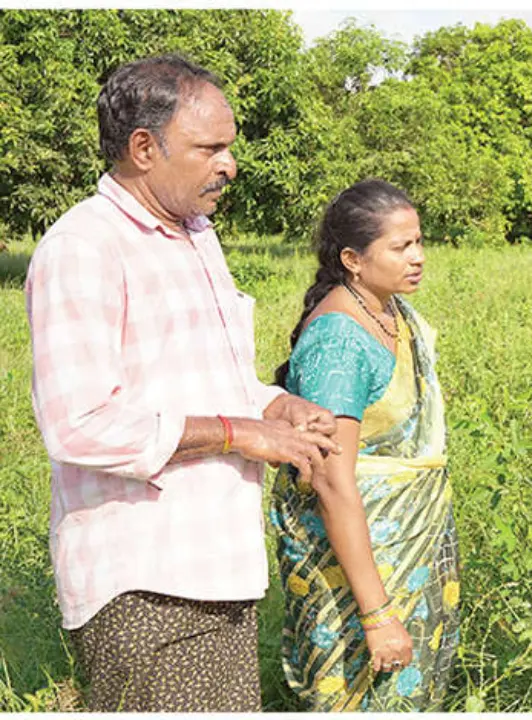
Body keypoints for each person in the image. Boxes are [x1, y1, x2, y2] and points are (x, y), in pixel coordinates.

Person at [23, 54, 341, 712]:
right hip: (146, 581)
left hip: (219, 564)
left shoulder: (196, 236)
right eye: (210, 147)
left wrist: (275, 407)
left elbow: (206, 379)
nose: (229, 163)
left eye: (230, 145)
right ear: (144, 147)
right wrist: (238, 434)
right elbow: (79, 423)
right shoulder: (84, 248)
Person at [270, 179, 460, 711]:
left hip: (406, 551)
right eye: (401, 247)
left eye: (419, 242)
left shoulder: (391, 312)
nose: (418, 257)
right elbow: (332, 479)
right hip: (357, 568)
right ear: (353, 259)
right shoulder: (339, 340)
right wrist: (376, 615)